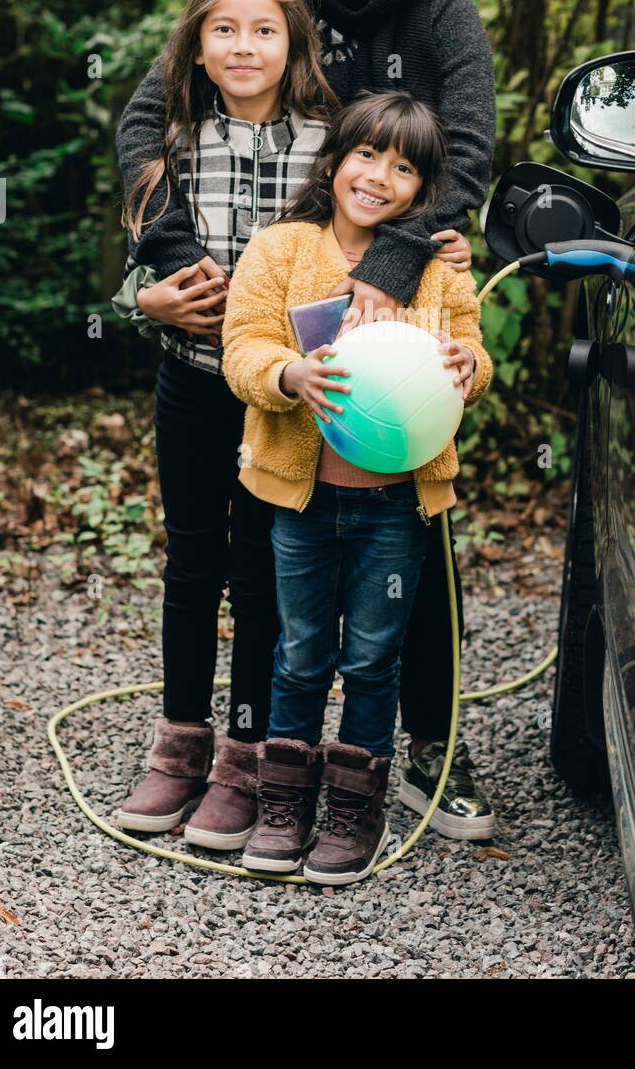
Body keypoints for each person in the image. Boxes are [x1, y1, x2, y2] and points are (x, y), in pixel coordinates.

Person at [114, 0, 498, 837]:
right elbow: (154, 126)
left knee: (409, 529)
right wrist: (167, 266)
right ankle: (239, 749)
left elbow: (463, 157)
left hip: (397, 315)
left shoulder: (440, 9)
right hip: (254, 346)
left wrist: (407, 254)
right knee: (245, 552)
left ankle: (425, 745)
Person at [221, 90, 493, 882]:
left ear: (423, 188)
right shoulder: (281, 249)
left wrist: (468, 367)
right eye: (367, 155)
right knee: (301, 651)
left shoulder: (434, 265)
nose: (380, 177)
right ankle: (284, 801)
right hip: (303, 503)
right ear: (334, 160)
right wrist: (287, 372)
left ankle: (354, 807)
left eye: (404, 167)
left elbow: (471, 349)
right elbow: (244, 348)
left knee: (374, 657)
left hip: (396, 509)